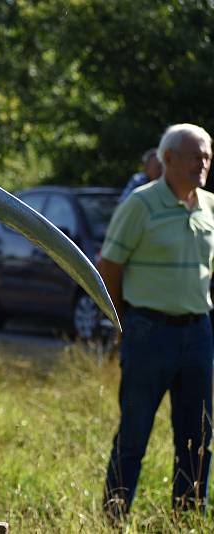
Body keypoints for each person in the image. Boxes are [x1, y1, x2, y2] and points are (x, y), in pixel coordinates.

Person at [100, 123, 214, 520]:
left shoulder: (210, 206)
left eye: (207, 157)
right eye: (195, 156)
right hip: (149, 332)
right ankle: (114, 517)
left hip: (198, 332)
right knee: (134, 432)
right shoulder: (140, 204)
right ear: (168, 159)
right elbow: (109, 265)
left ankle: (187, 519)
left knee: (197, 437)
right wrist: (122, 322)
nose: (203, 164)